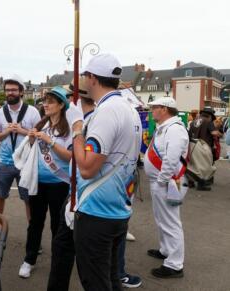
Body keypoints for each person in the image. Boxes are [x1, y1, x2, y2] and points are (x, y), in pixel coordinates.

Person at [70, 54, 142, 291]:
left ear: (92, 78)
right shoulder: (128, 108)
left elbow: (88, 167)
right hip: (117, 209)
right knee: (110, 279)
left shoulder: (107, 111)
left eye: (84, 75)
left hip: (97, 213)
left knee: (96, 282)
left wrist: (77, 130)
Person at [18, 86, 73, 279]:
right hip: (38, 182)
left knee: (58, 226)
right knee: (35, 223)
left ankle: (57, 263)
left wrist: (50, 142)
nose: (45, 105)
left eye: (50, 101)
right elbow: (31, 152)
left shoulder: (68, 129)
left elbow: (70, 157)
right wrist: (32, 140)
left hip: (59, 183)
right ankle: (29, 259)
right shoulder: (42, 125)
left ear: (60, 105)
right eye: (44, 101)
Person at [47, 83, 93, 291]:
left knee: (90, 265)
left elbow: (78, 159)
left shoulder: (85, 123)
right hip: (75, 192)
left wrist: (75, 131)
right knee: (61, 247)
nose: (46, 105)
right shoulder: (87, 120)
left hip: (80, 193)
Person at [0, 75, 41, 239]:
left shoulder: (32, 112)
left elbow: (40, 136)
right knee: (0, 195)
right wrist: (6, 132)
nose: (10, 93)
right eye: (7, 90)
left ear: (21, 92)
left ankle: (32, 234)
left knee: (29, 200)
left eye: (13, 90)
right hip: (4, 162)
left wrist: (22, 131)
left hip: (26, 163)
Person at [144, 97, 189, 279]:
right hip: (162, 182)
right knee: (162, 219)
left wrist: (162, 180)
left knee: (171, 222)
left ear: (164, 109)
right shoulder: (166, 128)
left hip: (167, 183)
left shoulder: (174, 129)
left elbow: (171, 159)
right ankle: (166, 250)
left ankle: (175, 264)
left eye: (154, 108)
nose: (152, 111)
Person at [187, 107, 222, 190]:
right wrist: (220, 134)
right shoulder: (208, 121)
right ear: (210, 116)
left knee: (193, 165)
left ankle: (190, 182)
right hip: (204, 146)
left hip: (192, 145)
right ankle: (201, 185)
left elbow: (188, 134)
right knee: (204, 166)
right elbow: (214, 133)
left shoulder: (193, 122)